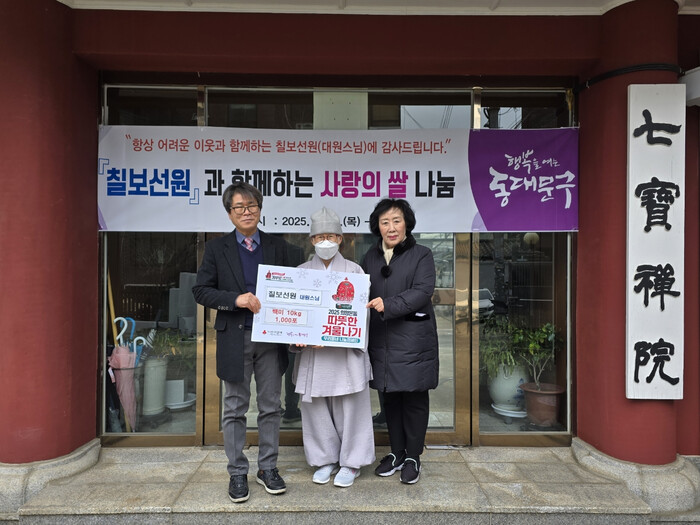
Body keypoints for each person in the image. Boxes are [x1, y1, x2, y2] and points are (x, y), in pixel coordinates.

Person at [192, 182, 290, 503]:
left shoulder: (278, 247)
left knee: (271, 405)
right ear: (229, 213)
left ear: (260, 209)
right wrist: (236, 299)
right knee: (235, 407)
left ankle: (267, 468)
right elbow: (201, 291)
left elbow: (294, 290)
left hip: (271, 338)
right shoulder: (216, 249)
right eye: (239, 208)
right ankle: (237, 471)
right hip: (235, 336)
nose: (246, 212)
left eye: (252, 206)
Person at [292, 207, 375, 487]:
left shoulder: (354, 271)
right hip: (313, 354)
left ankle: (352, 463)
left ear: (340, 239)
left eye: (330, 236)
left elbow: (361, 317)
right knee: (315, 408)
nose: (325, 242)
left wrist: (331, 337)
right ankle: (324, 459)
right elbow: (293, 315)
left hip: (344, 353)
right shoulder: (301, 273)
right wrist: (297, 336)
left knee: (351, 408)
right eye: (319, 237)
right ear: (311, 240)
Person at [362, 198, 439, 485]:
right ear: (378, 227)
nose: (391, 227)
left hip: (413, 340)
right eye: (385, 222)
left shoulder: (422, 254)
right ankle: (396, 453)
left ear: (407, 223)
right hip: (381, 339)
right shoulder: (370, 257)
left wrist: (388, 304)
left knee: (414, 398)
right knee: (390, 398)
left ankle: (413, 457)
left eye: (396, 221)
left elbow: (422, 291)